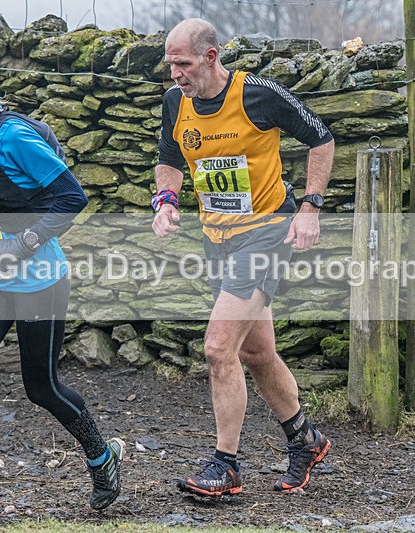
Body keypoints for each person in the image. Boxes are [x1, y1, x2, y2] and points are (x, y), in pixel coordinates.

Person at [0, 36, 123, 526]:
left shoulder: (14, 136)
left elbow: (71, 199)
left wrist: (21, 244)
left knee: (41, 387)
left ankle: (102, 458)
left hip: (40, 279)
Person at [152, 18, 335, 496]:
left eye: (183, 64)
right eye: (170, 65)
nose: (175, 74)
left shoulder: (257, 94)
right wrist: (165, 201)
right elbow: (169, 159)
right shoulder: (175, 102)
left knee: (218, 349)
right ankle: (305, 439)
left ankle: (225, 465)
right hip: (218, 238)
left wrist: (310, 208)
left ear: (211, 57)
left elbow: (322, 138)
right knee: (256, 352)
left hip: (266, 233)